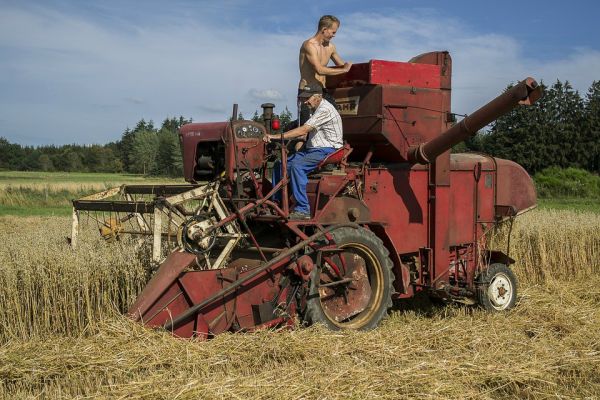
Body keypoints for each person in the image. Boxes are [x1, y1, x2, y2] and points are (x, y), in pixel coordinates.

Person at [263, 87, 343, 220]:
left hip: (328, 149)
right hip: (313, 149)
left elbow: (304, 130)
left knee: (297, 167)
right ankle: (277, 204)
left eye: (308, 98)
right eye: (304, 98)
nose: (305, 101)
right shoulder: (315, 109)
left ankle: (303, 209)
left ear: (317, 96)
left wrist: (275, 137)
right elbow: (304, 132)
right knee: (280, 165)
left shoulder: (325, 110)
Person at [298, 15, 352, 125]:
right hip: (308, 91)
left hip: (322, 90)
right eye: (333, 32)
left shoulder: (331, 47)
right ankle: (299, 141)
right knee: (305, 132)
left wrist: (352, 70)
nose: (334, 35)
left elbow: (342, 66)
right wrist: (344, 70)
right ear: (324, 29)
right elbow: (319, 70)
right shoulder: (309, 45)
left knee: (335, 120)